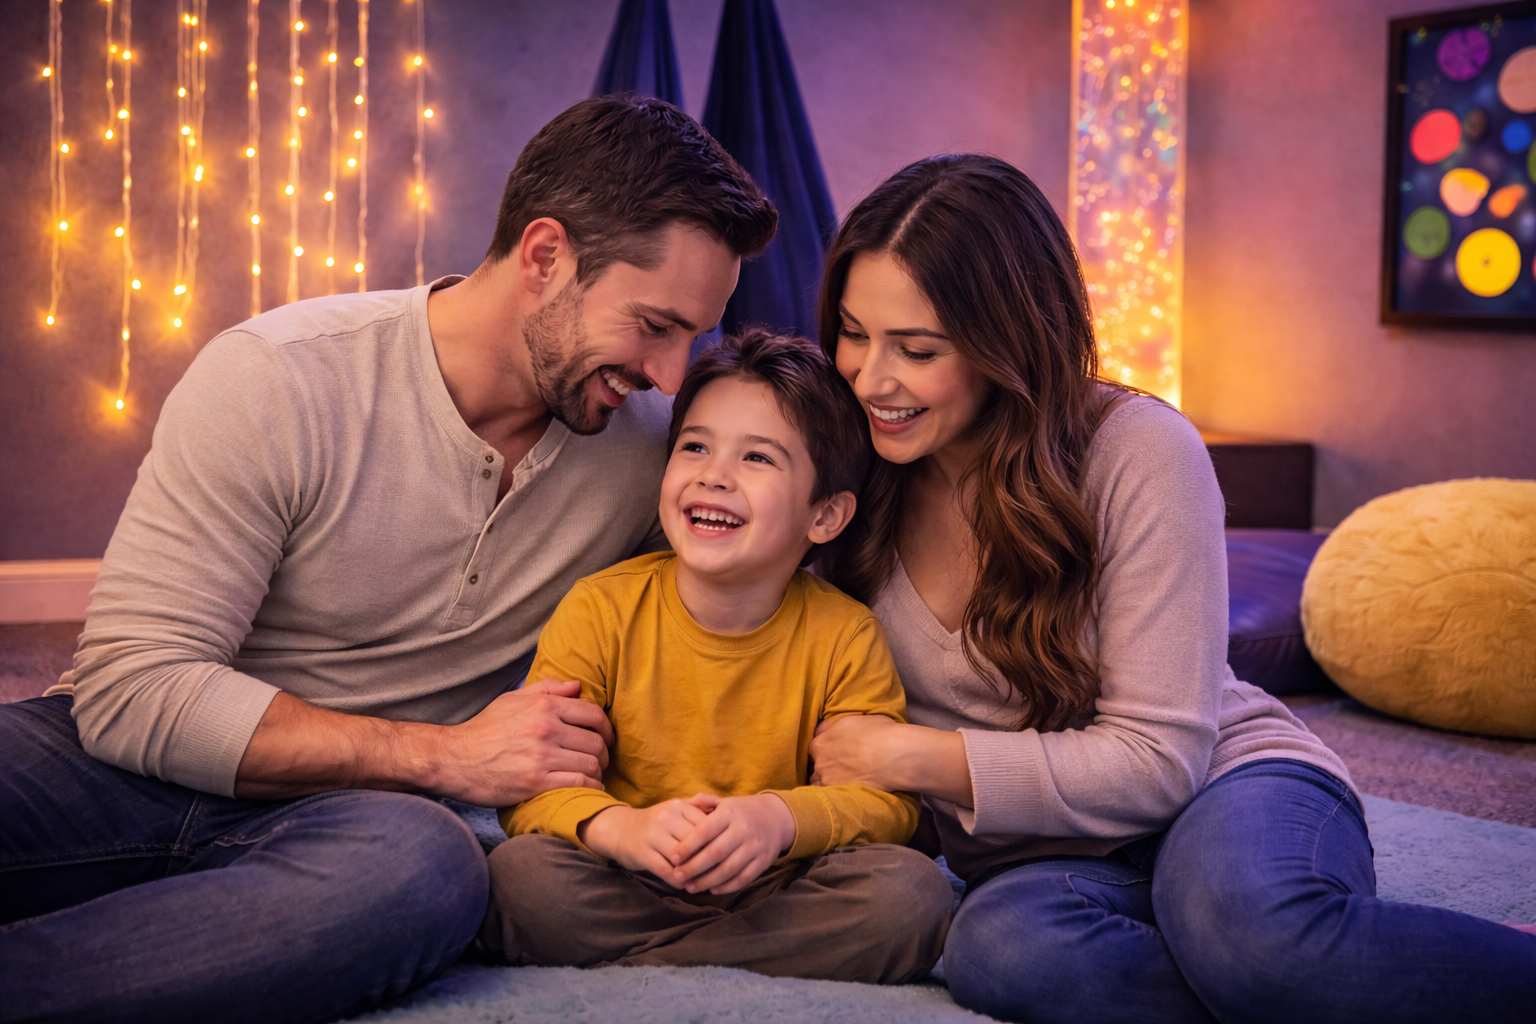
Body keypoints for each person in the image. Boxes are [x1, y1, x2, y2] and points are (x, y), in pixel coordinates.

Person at [0, 95, 776, 1024]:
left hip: (360, 822)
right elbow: (133, 690)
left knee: (427, 874)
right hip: (114, 769)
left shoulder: (656, 449)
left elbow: (733, 617)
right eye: (655, 325)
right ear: (544, 257)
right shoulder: (281, 375)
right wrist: (449, 756)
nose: (670, 374)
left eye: (694, 335)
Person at [805, 154, 1536, 1024]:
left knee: (1253, 937)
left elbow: (1158, 763)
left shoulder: (1141, 450)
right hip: (1047, 860)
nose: (870, 378)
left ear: (1010, 341)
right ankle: (1331, 987)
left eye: (917, 350)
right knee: (999, 951)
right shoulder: (842, 472)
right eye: (853, 333)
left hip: (1221, 784)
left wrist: (908, 756)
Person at [478, 330, 953, 983]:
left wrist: (776, 820)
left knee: (911, 894)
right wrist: (622, 830)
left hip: (777, 884)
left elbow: (887, 806)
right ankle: (732, 958)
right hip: (631, 878)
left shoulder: (846, 633)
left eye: (757, 459)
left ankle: (657, 964)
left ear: (826, 515)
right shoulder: (601, 608)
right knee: (518, 877)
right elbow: (533, 788)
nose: (714, 475)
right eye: (694, 446)